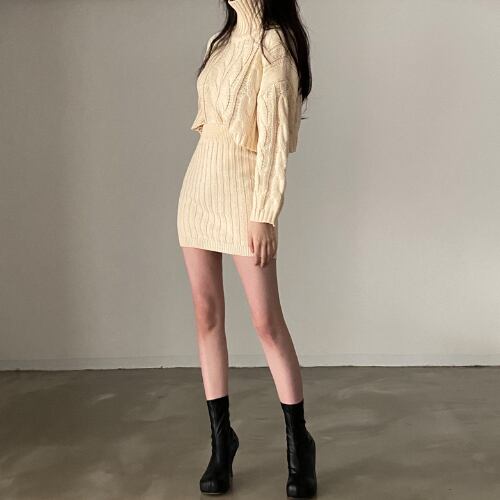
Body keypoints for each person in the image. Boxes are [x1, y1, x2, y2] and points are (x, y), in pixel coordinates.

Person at [176, 0, 316, 496]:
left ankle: (300, 446)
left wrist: (264, 212)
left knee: (265, 321)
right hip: (199, 189)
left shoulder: (274, 43)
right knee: (206, 314)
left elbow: (273, 142)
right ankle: (221, 445)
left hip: (244, 196)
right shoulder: (220, 43)